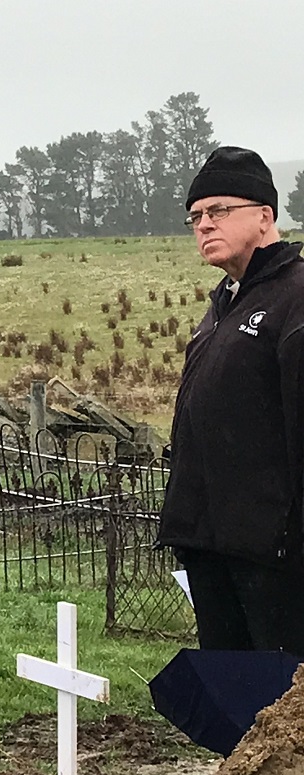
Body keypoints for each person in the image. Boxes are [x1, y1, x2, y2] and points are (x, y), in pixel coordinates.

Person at [158, 145, 304, 654]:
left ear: (265, 216)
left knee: (286, 707)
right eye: (195, 216)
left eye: (218, 210)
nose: (203, 224)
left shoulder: (295, 296)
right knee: (237, 707)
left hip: (276, 554)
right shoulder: (224, 303)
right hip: (211, 544)